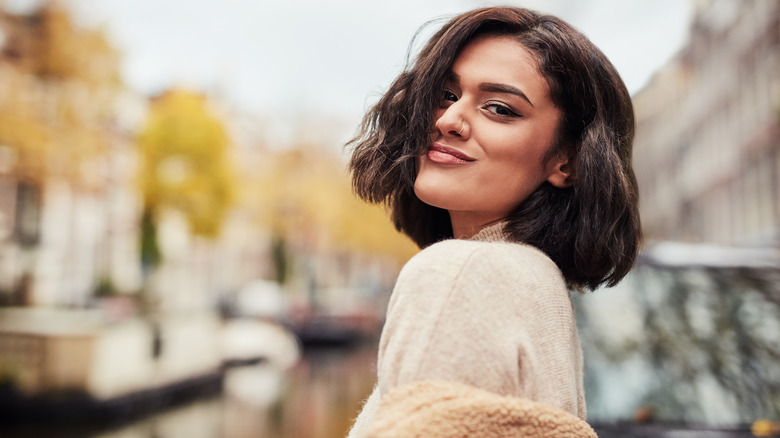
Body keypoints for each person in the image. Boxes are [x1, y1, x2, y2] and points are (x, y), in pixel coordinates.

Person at [346, 6, 641, 437]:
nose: (448, 120)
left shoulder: (462, 272)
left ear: (568, 161)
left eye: (499, 108)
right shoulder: (537, 284)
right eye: (446, 94)